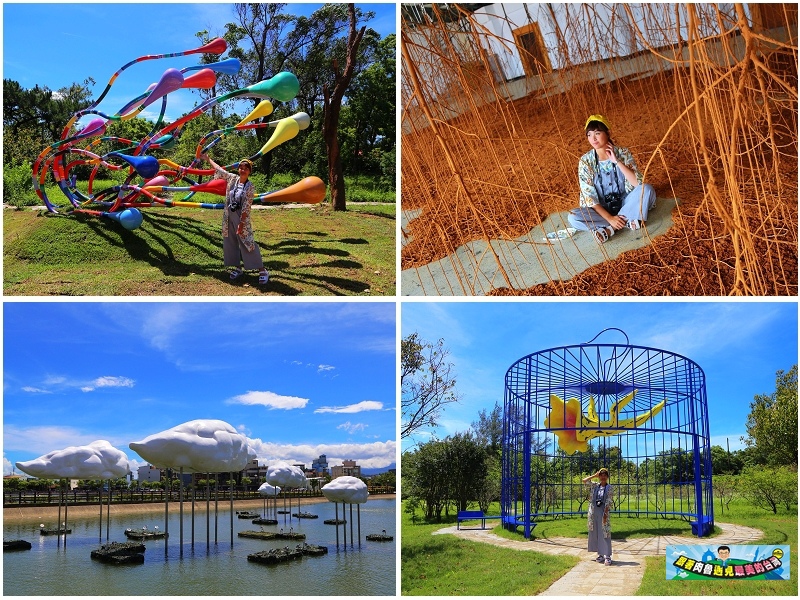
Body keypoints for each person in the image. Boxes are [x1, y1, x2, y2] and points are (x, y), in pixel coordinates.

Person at [568, 114, 657, 244]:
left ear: (608, 133)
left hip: (625, 201)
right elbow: (590, 199)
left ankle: (610, 230)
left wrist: (617, 162)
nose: (593, 138)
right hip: (600, 210)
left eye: (597, 133)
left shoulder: (623, 153)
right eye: (589, 135)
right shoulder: (585, 161)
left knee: (647, 189)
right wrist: (610, 218)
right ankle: (628, 220)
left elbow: (637, 183)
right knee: (573, 217)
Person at [200, 153, 269, 284]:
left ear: (249, 171)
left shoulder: (250, 186)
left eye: (246, 168)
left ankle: (262, 270)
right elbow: (219, 170)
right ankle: (238, 268)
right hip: (228, 216)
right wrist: (208, 159)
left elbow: (246, 207)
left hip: (241, 217)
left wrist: (242, 223)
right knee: (230, 241)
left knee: (247, 242)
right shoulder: (232, 178)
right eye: (241, 167)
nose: (243, 170)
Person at [582, 467, 613, 565]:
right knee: (595, 533)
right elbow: (584, 480)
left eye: (605, 475)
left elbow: (609, 501)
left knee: (605, 533)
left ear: (607, 477)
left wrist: (605, 514)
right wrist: (594, 476)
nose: (603, 477)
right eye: (601, 475)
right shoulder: (595, 486)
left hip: (603, 512)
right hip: (594, 512)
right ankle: (600, 554)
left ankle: (607, 556)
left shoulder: (609, 487)